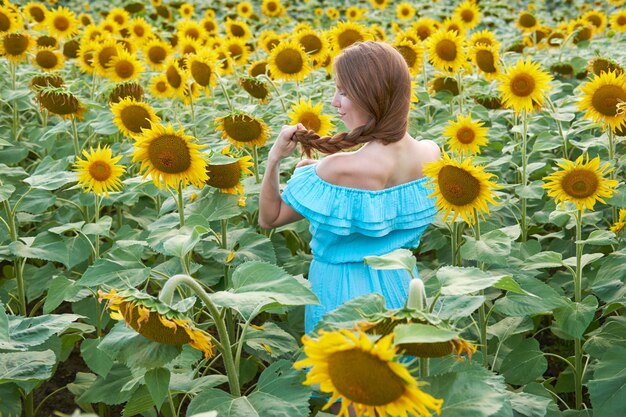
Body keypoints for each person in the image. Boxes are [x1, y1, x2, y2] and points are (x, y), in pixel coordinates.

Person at [259, 41, 440, 336]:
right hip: (403, 288)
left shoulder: (335, 170)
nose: (334, 102)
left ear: (372, 97)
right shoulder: (431, 154)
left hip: (339, 298)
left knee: (339, 376)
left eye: (343, 92)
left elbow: (270, 217)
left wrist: (274, 158)